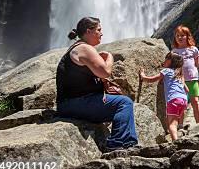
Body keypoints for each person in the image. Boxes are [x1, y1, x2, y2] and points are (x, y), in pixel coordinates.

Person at [56, 17, 138, 151]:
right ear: (89, 31)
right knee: (124, 103)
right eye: (99, 30)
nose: (102, 33)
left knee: (121, 105)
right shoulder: (84, 49)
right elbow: (105, 72)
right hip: (75, 103)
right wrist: (110, 58)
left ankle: (127, 143)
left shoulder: (77, 48)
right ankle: (118, 143)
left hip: (70, 103)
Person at [140, 52, 188, 141]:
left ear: (170, 61)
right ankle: (181, 133)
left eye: (166, 59)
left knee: (171, 124)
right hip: (183, 100)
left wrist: (143, 75)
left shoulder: (166, 71)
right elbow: (187, 90)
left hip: (173, 99)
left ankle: (176, 142)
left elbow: (151, 79)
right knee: (173, 120)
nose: (164, 61)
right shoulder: (180, 74)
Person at [171, 25, 199, 124]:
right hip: (180, 81)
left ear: (188, 36)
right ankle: (180, 125)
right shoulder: (174, 52)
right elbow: (173, 67)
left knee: (195, 102)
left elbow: (197, 63)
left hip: (192, 80)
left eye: (182, 35)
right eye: (177, 35)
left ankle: (198, 123)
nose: (180, 37)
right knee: (182, 104)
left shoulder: (193, 49)